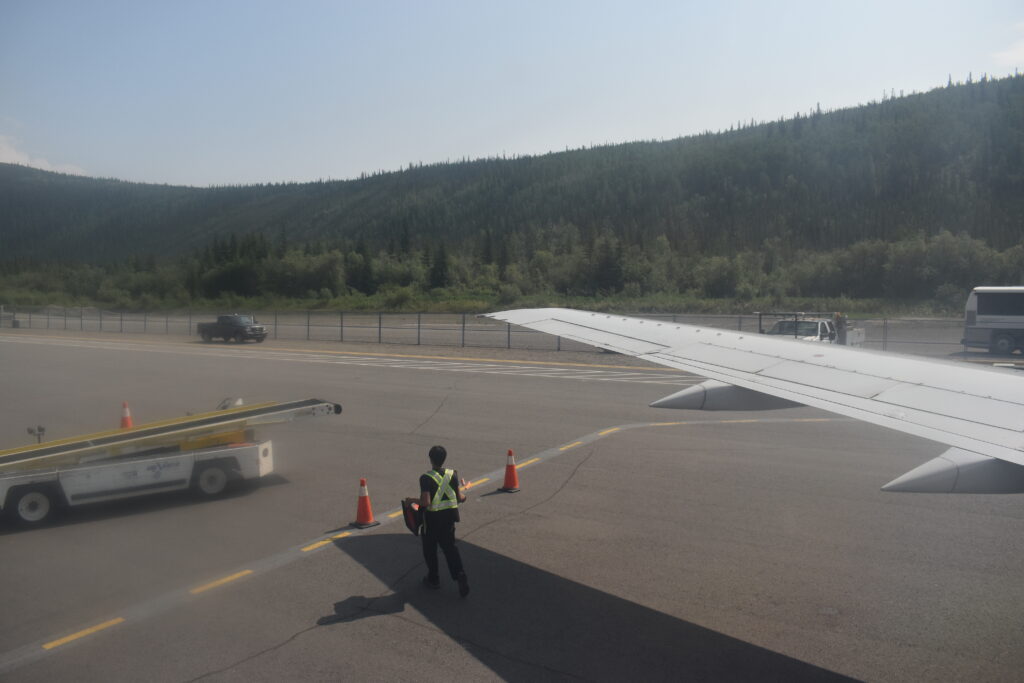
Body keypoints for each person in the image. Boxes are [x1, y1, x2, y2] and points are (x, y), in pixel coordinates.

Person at [410, 445, 469, 597]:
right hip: (449, 519)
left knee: (430, 550)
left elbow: (425, 502)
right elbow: (458, 497)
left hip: (432, 521)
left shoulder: (426, 478)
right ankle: (459, 574)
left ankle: (433, 579)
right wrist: (465, 493)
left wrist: (410, 500)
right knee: (450, 548)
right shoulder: (452, 474)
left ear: (430, 459)